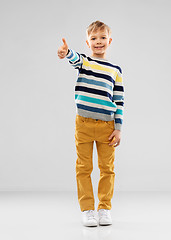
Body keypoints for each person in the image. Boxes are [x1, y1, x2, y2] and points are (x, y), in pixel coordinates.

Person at [57, 20, 124, 227]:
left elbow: (119, 101)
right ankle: (87, 210)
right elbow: (74, 59)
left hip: (106, 126)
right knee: (84, 168)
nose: (99, 41)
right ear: (87, 42)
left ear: (109, 41)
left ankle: (104, 208)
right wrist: (67, 52)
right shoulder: (84, 62)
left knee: (107, 169)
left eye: (103, 37)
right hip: (84, 124)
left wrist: (118, 128)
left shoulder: (115, 70)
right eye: (94, 38)